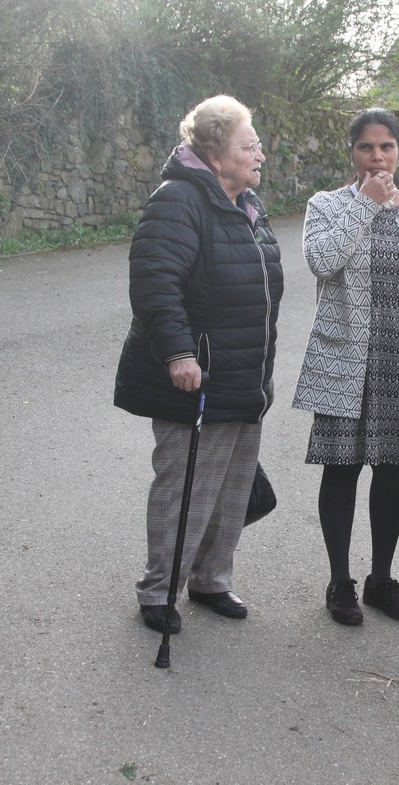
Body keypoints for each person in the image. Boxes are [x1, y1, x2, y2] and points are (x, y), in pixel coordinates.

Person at [114, 95, 283, 634]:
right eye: (249, 146)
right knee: (185, 488)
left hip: (244, 376)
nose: (259, 154)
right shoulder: (178, 201)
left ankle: (211, 578)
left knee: (230, 488)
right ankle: (159, 590)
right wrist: (179, 352)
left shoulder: (246, 205)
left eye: (258, 145)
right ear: (215, 156)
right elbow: (155, 284)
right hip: (198, 377)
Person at [293, 108, 399, 626]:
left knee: (391, 473)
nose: (377, 156)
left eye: (386, 146)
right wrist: (365, 203)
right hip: (345, 361)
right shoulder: (326, 206)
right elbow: (323, 261)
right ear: (352, 153)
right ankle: (340, 582)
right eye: (366, 147)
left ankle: (380, 580)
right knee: (341, 469)